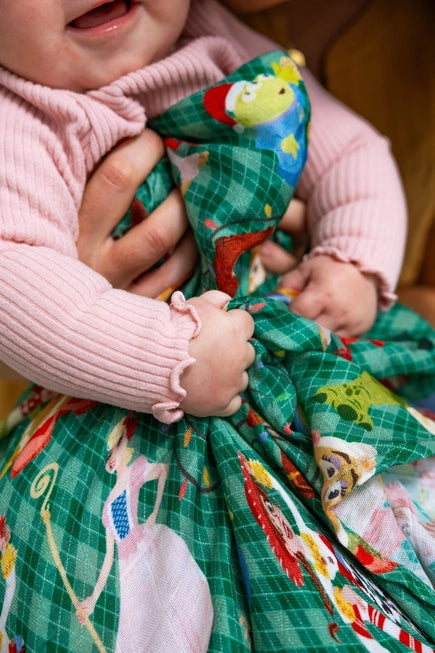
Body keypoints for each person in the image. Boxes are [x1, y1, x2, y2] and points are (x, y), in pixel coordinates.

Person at [0, 1, 434, 652]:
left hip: (297, 360)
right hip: (126, 427)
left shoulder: (209, 37)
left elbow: (348, 147)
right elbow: (13, 273)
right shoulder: (21, 115)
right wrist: (166, 351)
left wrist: (353, 259)